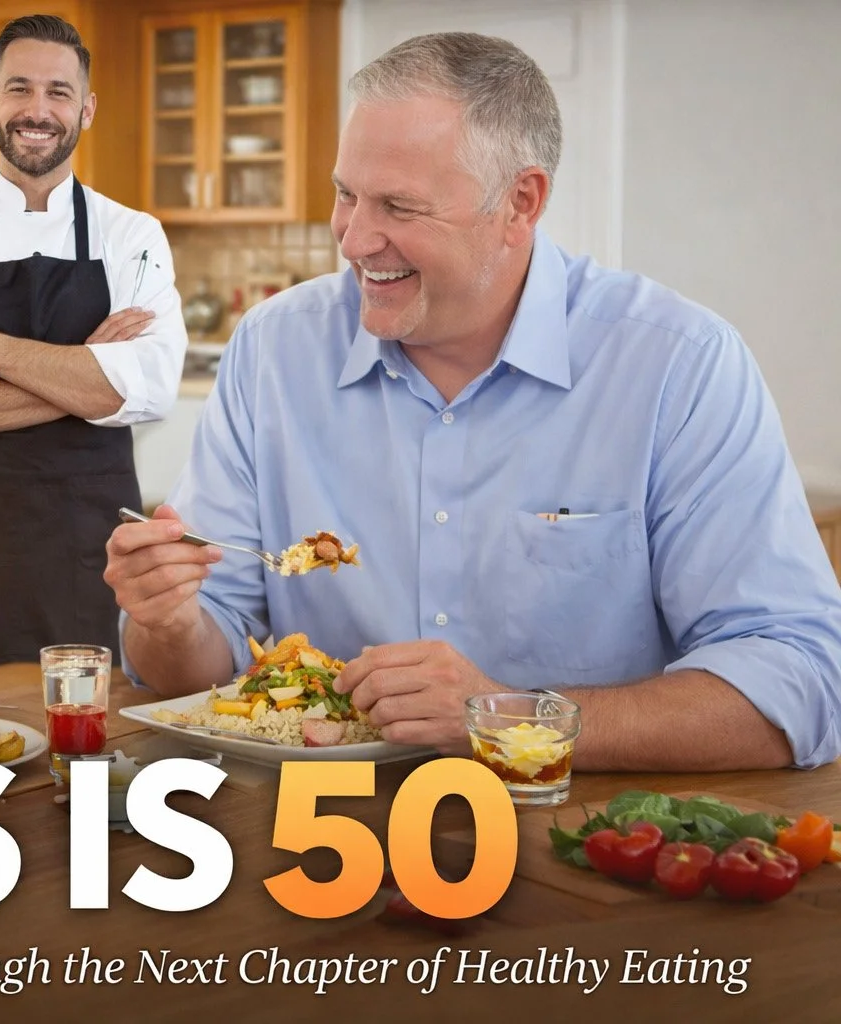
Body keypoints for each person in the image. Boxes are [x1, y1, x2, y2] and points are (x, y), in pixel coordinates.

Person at [105, 32, 841, 772]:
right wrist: (167, 621)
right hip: (313, 836)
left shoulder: (677, 365)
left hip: (578, 842)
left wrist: (512, 719)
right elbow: (201, 663)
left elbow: (800, 679)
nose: (354, 239)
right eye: (345, 194)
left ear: (521, 202)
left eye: (398, 205)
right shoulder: (272, 349)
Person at [0, 14, 186, 678]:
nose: (37, 110)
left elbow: (150, 386)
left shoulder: (132, 235)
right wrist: (88, 372)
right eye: (19, 89)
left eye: (58, 92)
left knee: (88, 757)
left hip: (87, 555)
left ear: (86, 109)